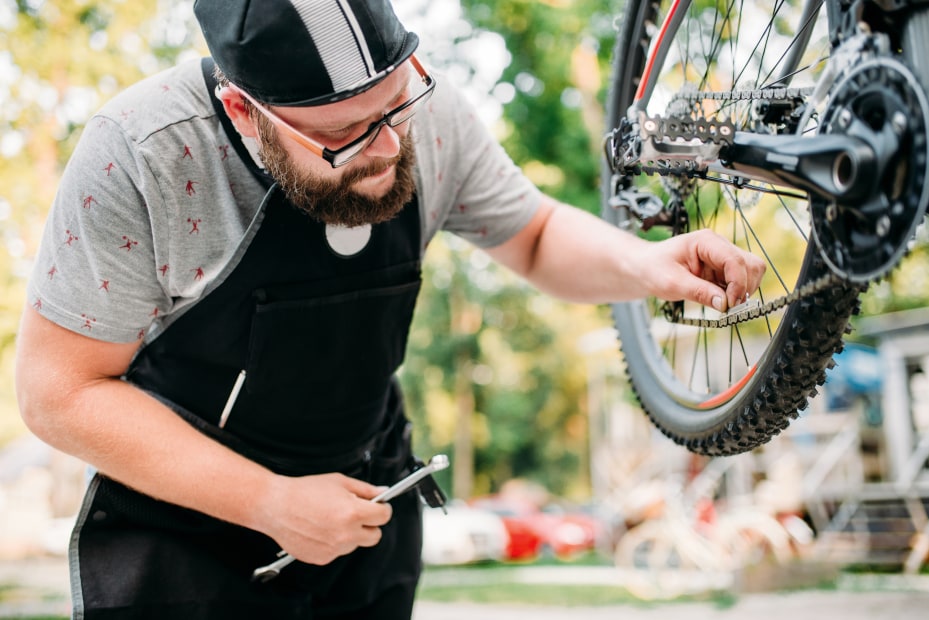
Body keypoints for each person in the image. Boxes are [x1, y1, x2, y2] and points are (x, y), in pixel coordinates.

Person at [13, 0, 765, 618]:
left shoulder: (422, 113)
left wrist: (643, 264)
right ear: (243, 110)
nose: (383, 147)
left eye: (393, 108)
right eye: (341, 134)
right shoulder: (142, 155)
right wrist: (267, 500)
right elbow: (59, 393)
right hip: (182, 543)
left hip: (360, 514)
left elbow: (531, 236)